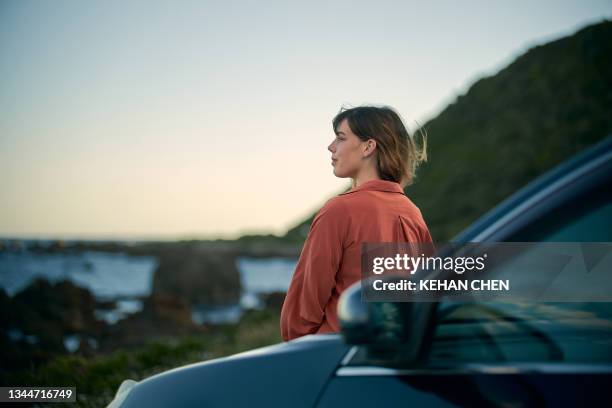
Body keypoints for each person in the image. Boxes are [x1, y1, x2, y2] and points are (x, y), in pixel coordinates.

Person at [280, 105, 433, 341]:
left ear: (368, 147)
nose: (331, 146)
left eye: (340, 138)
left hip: (335, 356)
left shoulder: (339, 210)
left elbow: (301, 313)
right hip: (392, 357)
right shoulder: (413, 213)